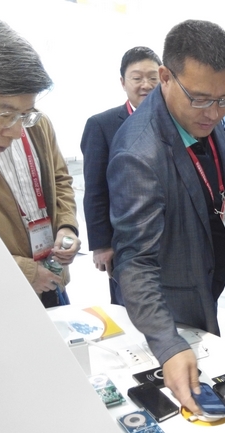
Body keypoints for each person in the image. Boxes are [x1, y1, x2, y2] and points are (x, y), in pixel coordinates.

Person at [107, 19, 225, 414]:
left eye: (224, 100)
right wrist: (167, 344)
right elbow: (135, 262)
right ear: (165, 77)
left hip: (209, 268)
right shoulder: (139, 153)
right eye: (200, 99)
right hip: (172, 299)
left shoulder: (203, 113)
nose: (213, 113)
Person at [0, 13, 81, 308]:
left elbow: (60, 179)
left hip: (51, 273)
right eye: (6, 113)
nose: (17, 131)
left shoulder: (37, 125)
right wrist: (25, 272)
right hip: (1, 299)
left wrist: (67, 227)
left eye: (24, 113)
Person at [80, 46, 161, 305]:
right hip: (127, 244)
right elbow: (95, 189)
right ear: (123, 82)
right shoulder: (102, 125)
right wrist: (102, 244)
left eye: (153, 77)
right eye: (137, 78)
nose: (146, 84)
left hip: (171, 238)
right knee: (132, 310)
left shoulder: (176, 121)